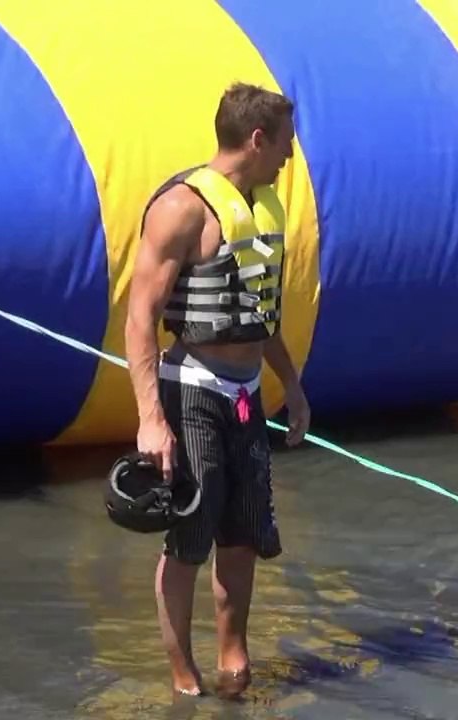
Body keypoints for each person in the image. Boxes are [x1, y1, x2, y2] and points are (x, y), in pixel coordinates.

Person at [124, 81, 312, 698]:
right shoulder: (182, 209)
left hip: (248, 395)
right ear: (257, 139)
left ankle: (236, 663)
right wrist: (152, 419)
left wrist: (295, 387)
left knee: (243, 536)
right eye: (285, 144)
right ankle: (184, 677)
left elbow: (258, 314)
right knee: (190, 539)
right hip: (192, 394)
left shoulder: (260, 206)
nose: (290, 156)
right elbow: (140, 316)